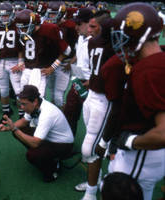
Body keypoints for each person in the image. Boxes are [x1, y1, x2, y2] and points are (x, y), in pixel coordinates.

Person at [102, 3, 165, 200]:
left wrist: (131, 141)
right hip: (149, 152)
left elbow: (163, 133)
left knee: (119, 192)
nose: (120, 43)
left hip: (143, 154)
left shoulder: (148, 70)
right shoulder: (157, 61)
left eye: (123, 37)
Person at [0, 85, 74, 182]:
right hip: (49, 138)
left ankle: (53, 167)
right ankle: (44, 156)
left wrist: (14, 128)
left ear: (35, 101)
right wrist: (7, 128)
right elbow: (24, 121)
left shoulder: (47, 113)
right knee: (20, 131)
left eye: (24, 104)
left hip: (63, 146)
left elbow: (35, 143)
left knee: (32, 154)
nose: (22, 107)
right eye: (21, 104)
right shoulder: (35, 105)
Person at [74, 11, 114, 200]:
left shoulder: (115, 45)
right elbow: (93, 69)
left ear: (103, 28)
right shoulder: (91, 42)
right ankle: (95, 183)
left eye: (92, 26)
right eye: (88, 26)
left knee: (90, 149)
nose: (88, 30)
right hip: (92, 96)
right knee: (95, 148)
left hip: (106, 100)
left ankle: (91, 194)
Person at [15, 9, 72, 98]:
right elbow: (21, 48)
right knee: (23, 96)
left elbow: (67, 50)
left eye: (24, 27)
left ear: (33, 24)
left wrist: (53, 67)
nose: (22, 30)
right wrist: (21, 62)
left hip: (40, 70)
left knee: (38, 99)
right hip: (27, 69)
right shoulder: (24, 33)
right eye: (20, 28)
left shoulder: (48, 30)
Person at [0, 2, 23, 120]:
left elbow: (22, 45)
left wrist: (21, 61)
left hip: (14, 61)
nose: (4, 18)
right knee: (3, 89)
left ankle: (22, 114)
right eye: (2, 16)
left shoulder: (18, 24)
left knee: (18, 90)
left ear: (12, 14)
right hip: (0, 62)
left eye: (7, 15)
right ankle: (6, 112)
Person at [62, 7, 94, 136]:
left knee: (92, 120)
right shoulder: (81, 37)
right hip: (78, 80)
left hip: (91, 84)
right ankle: (67, 143)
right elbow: (80, 53)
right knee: (69, 111)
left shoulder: (97, 41)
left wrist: (91, 82)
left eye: (79, 24)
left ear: (90, 23)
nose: (76, 27)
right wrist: (72, 61)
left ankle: (95, 151)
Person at [43, 1, 78, 107]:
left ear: (61, 14)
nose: (50, 16)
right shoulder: (47, 26)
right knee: (52, 93)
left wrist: (72, 61)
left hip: (64, 64)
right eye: (49, 13)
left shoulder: (70, 26)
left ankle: (62, 119)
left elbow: (78, 46)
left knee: (58, 96)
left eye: (53, 13)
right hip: (51, 63)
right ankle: (55, 117)